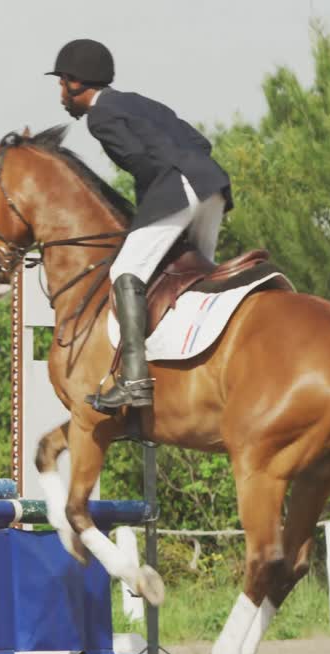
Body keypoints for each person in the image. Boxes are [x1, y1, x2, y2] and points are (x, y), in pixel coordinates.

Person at [46, 38, 233, 414]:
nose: (61, 93)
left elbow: (143, 165)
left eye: (61, 83)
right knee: (195, 279)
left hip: (179, 189)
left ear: (76, 82)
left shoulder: (101, 118)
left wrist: (146, 215)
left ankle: (134, 381)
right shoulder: (138, 102)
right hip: (212, 187)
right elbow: (201, 142)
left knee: (127, 269)